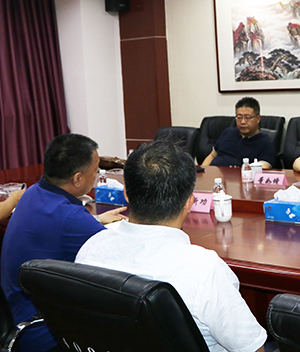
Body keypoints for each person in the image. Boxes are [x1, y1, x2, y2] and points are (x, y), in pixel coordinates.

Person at [76, 140, 267, 352]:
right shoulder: (204, 269)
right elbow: (252, 349)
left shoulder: (91, 248)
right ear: (189, 202)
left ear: (126, 193)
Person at [0, 134, 126, 352]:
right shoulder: (70, 218)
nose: (97, 174)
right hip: (43, 333)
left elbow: (55, 226)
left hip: (15, 317)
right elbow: (121, 255)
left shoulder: (33, 193)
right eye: (96, 170)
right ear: (77, 179)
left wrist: (95, 220)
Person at [201, 97, 276, 169]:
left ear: (258, 118)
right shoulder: (228, 132)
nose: (242, 122)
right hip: (212, 174)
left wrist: (239, 172)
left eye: (247, 117)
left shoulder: (266, 144)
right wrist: (201, 171)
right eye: (239, 117)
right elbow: (212, 155)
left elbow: (263, 168)